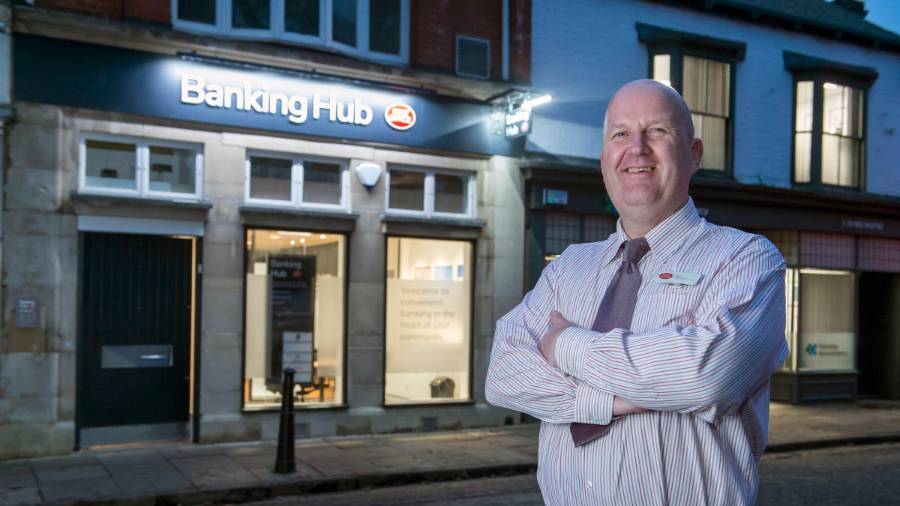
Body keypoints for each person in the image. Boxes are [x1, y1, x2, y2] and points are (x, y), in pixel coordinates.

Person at [485, 79, 788, 505]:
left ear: (694, 154)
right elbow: (503, 375)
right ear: (605, 158)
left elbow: (706, 376)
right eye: (621, 134)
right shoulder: (569, 266)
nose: (638, 148)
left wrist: (566, 344)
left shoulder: (746, 259)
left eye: (658, 131)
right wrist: (612, 399)